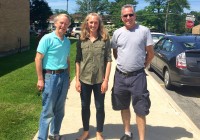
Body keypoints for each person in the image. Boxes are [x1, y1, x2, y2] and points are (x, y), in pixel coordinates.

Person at [111, 4, 154, 140]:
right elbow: (115, 52)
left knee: (140, 108)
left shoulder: (144, 31)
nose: (128, 17)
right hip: (120, 75)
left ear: (135, 15)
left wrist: (144, 65)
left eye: (131, 14)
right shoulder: (117, 33)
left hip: (138, 76)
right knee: (123, 106)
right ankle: (127, 133)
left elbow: (150, 53)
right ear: (121, 17)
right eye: (125, 15)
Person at [75, 13, 112, 140]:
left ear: (99, 24)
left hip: (99, 80)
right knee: (84, 106)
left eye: (95, 22)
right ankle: (86, 131)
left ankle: (99, 133)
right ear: (87, 23)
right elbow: (78, 60)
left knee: (100, 107)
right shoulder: (81, 39)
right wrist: (77, 80)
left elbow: (108, 60)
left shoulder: (105, 39)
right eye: (91, 22)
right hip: (84, 79)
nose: (93, 25)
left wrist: (106, 80)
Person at [35, 13, 71, 140]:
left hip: (64, 76)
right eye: (61, 22)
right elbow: (38, 58)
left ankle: (54, 133)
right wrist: (40, 79)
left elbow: (67, 60)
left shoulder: (67, 41)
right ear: (55, 23)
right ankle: (42, 138)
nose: (63, 25)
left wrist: (68, 76)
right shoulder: (47, 38)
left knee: (60, 110)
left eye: (66, 23)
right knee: (48, 110)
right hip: (51, 77)